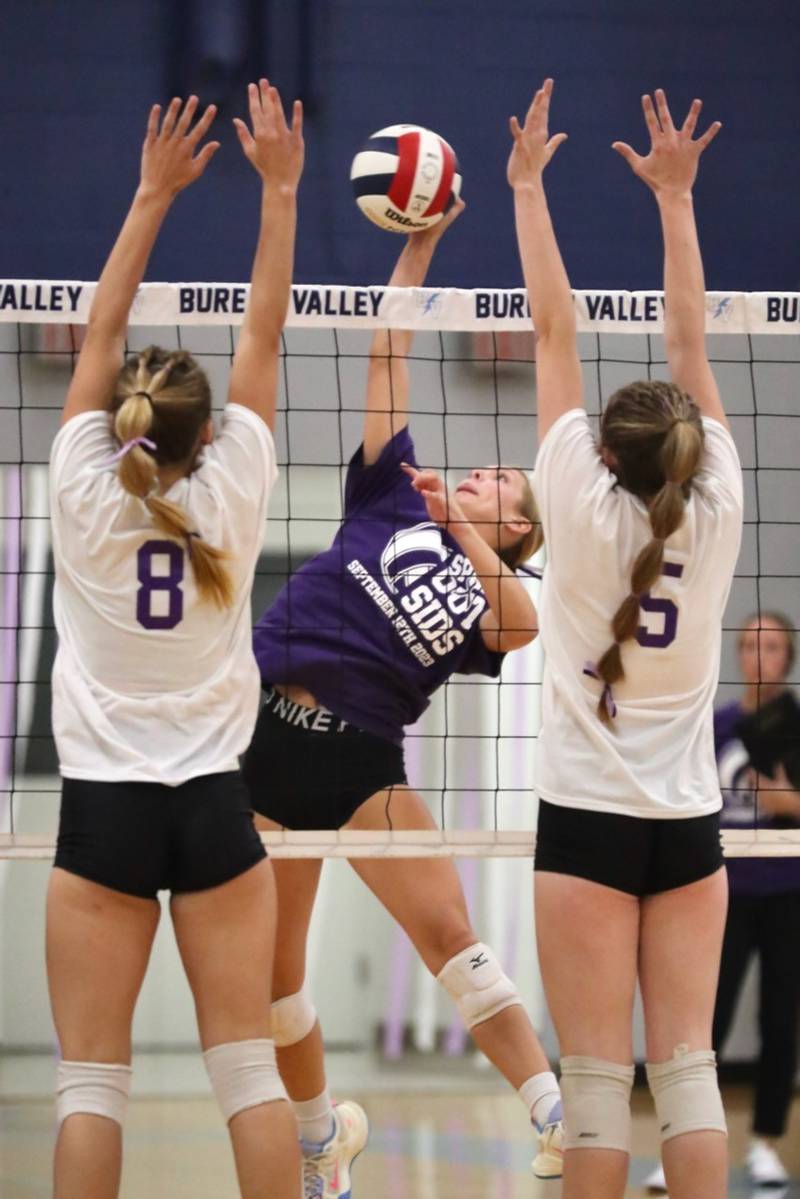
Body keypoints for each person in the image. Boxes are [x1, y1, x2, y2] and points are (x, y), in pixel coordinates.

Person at [243, 204, 564, 1197]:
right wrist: (418, 247)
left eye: (497, 481)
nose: (475, 472)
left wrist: (460, 525)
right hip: (261, 734)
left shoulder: (490, 590)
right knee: (273, 977)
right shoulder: (385, 492)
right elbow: (386, 351)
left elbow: (525, 626)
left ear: (516, 525)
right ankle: (318, 1134)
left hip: (359, 763)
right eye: (476, 467)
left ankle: (552, 1109)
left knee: (451, 942)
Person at [46, 83, 304, 1199]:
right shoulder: (239, 480)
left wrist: (149, 193)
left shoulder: (78, 485)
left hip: (102, 804)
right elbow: (263, 327)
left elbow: (100, 329)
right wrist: (279, 190)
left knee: (89, 1086)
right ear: (208, 434)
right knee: (248, 1072)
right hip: (211, 800)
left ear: (122, 424)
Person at [510, 80, 743, 1199]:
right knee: (688, 1071)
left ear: (602, 455)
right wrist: (675, 199)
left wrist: (524, 186)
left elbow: (552, 323)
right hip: (687, 821)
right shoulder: (720, 502)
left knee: (596, 1085)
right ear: (687, 454)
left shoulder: (570, 493)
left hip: (586, 819)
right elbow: (688, 330)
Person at [713, 613, 799, 1185]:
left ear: (787, 657)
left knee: (779, 1020)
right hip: (722, 892)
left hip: (788, 891)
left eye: (770, 646)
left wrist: (785, 801)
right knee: (702, 1023)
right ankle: (689, 1142)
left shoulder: (797, 725)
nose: (757, 656)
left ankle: (765, 1142)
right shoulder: (715, 725)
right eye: (748, 645)